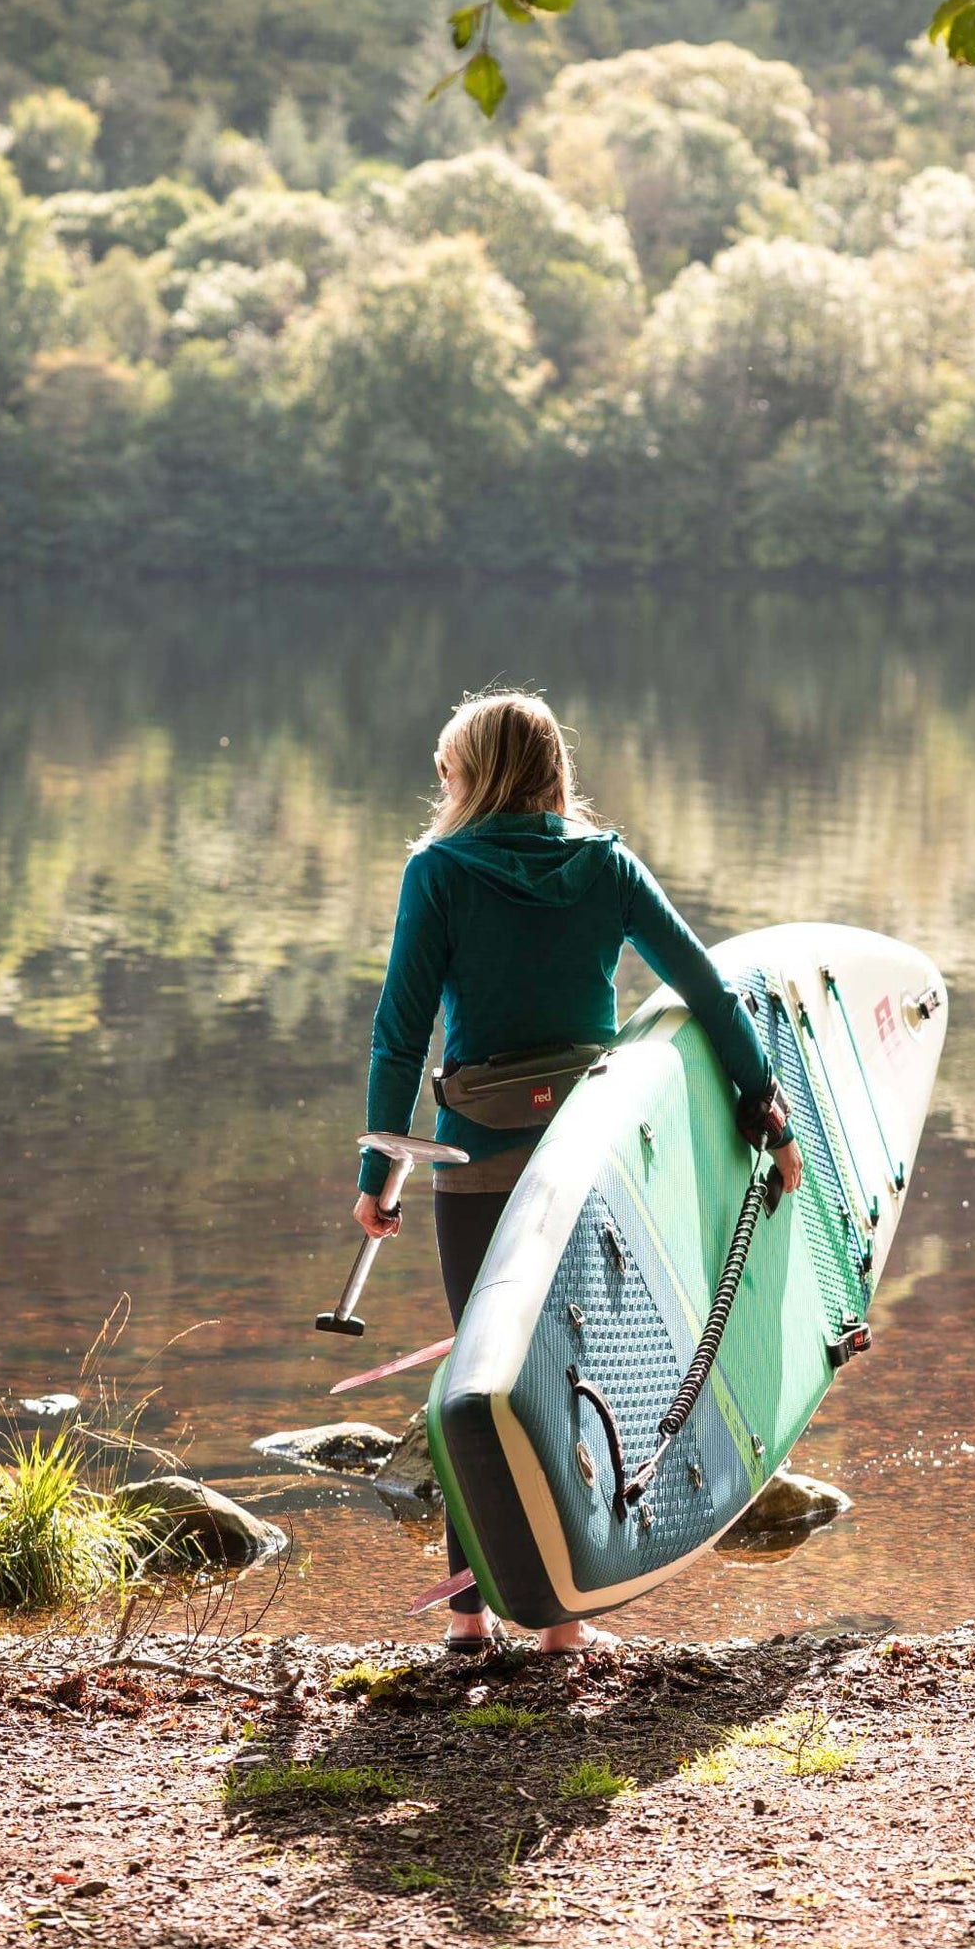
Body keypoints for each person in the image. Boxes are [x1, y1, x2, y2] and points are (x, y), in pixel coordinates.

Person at [355, 689, 803, 1655]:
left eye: (449, 772)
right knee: (563, 1380)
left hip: (474, 1156)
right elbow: (707, 989)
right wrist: (765, 1108)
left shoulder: (437, 872)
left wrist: (376, 1170)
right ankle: (557, 1620)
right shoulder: (605, 867)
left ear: (469, 778)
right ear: (553, 772)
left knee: (474, 1379)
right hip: (588, 1166)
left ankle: (469, 1615)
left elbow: (401, 1033)